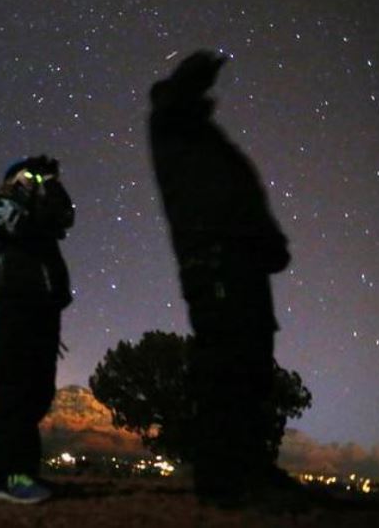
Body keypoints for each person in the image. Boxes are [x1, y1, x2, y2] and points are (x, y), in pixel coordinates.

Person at [148, 51, 291, 504]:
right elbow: (172, 104)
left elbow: (239, 192)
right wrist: (191, 75)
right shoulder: (172, 127)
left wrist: (267, 240)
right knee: (227, 364)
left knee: (252, 365)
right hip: (215, 259)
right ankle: (226, 480)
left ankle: (250, 468)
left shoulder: (204, 138)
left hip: (242, 259)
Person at [0, 155, 74, 504]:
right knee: (12, 395)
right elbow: (28, 225)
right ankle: (8, 478)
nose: (42, 181)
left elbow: (64, 216)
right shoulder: (0, 209)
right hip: (17, 312)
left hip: (44, 315)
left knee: (36, 395)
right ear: (14, 181)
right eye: (33, 176)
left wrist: (49, 186)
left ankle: (26, 474)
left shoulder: (41, 215)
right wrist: (31, 188)